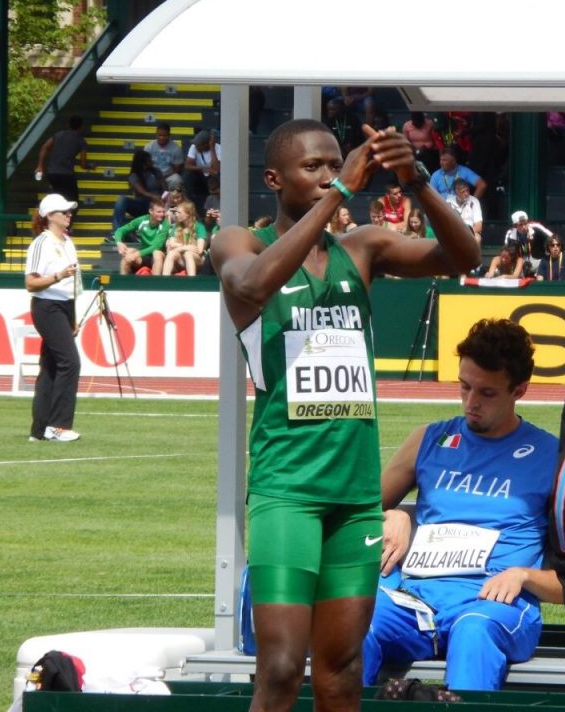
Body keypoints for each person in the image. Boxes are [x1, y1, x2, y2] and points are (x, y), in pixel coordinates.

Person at [208, 118, 480, 712]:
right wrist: (341, 192)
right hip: (287, 491)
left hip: (355, 495)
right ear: (275, 179)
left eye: (337, 164)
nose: (331, 176)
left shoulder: (362, 250)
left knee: (342, 668)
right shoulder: (237, 244)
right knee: (279, 667)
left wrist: (418, 183)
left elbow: (463, 255)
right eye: (315, 168)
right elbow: (252, 287)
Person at [363, 318, 560, 690]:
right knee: (352, 622)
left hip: (491, 608)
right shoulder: (429, 440)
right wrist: (392, 515)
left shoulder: (551, 457)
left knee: (472, 632)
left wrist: (524, 576)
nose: (471, 403)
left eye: (487, 394)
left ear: (520, 390)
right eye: (464, 387)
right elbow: (357, 514)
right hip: (414, 604)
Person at [25, 193, 82, 443]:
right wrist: (58, 276)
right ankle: (58, 426)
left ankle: (39, 429)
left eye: (69, 212)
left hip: (64, 306)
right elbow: (31, 283)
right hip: (47, 306)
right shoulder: (42, 242)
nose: (69, 215)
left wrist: (73, 317)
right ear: (50, 216)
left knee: (50, 366)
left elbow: (72, 284)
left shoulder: (67, 241)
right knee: (70, 362)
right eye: (64, 212)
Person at [35, 115, 93, 207]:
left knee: (55, 196)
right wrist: (91, 166)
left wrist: (40, 166)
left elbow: (44, 147)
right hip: (67, 175)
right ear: (81, 126)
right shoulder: (81, 141)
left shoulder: (58, 134)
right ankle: (68, 219)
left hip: (52, 173)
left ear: (69, 125)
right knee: (73, 201)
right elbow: (83, 164)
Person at [113, 196, 170, 275]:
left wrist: (136, 254)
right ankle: (124, 284)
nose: (162, 214)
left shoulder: (165, 224)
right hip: (144, 255)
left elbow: (157, 246)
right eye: (159, 212)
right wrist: (119, 243)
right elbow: (120, 230)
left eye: (163, 212)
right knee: (128, 253)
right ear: (151, 211)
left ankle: (155, 285)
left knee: (156, 253)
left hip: (159, 256)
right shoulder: (142, 221)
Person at [112, 149, 165, 233]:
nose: (152, 161)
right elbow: (142, 192)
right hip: (141, 204)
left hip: (157, 203)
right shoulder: (134, 176)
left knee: (153, 202)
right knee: (121, 199)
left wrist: (162, 195)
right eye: (149, 160)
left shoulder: (156, 172)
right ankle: (116, 232)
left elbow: (165, 188)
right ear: (143, 162)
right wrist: (153, 196)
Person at [160, 200, 207, 277]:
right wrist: (185, 247)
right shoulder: (177, 227)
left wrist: (178, 246)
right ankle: (165, 280)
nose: (176, 215)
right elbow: (171, 246)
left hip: (196, 260)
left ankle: (192, 281)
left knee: (188, 254)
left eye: (179, 212)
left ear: (188, 214)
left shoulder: (199, 227)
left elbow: (199, 250)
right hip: (181, 260)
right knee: (172, 253)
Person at [144, 121, 184, 191]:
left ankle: (175, 199)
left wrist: (163, 178)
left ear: (169, 135)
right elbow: (144, 166)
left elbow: (177, 169)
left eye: (164, 135)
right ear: (156, 134)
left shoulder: (176, 149)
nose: (162, 138)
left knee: (177, 179)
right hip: (153, 176)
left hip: (168, 176)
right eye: (159, 135)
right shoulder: (149, 147)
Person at [448, 178, 483, 245]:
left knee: (477, 238)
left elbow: (479, 226)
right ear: (456, 192)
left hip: (470, 232)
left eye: (467, 190)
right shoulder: (449, 202)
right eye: (463, 192)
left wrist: (465, 233)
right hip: (453, 233)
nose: (466, 193)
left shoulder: (474, 201)